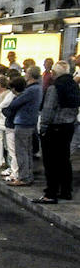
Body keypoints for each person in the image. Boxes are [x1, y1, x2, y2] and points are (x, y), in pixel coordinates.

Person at [35, 60, 78, 203]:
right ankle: (66, 191)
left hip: (55, 127)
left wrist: (43, 128)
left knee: (51, 161)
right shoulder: (73, 86)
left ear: (54, 73)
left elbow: (48, 110)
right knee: (64, 160)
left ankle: (51, 192)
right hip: (69, 126)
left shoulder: (55, 88)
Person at [1, 66, 42, 187]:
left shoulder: (31, 90)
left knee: (21, 151)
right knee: (27, 151)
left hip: (23, 122)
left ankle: (24, 177)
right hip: (30, 122)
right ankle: (28, 175)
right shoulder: (38, 88)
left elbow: (15, 103)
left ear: (30, 75)